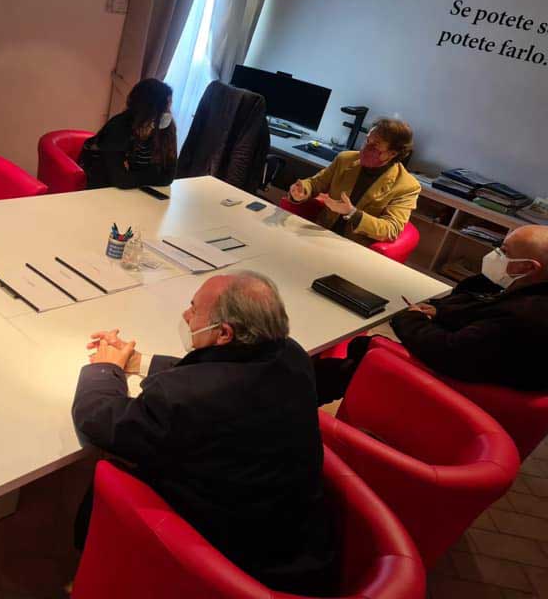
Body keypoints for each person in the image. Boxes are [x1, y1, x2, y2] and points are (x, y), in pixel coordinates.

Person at [72, 272, 336, 594]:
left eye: (194, 309)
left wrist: (104, 368)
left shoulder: (188, 400)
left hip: (232, 566)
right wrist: (138, 362)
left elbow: (99, 419)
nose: (186, 315)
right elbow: (215, 372)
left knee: (113, 470)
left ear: (224, 333)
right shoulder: (290, 355)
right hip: (298, 544)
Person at [316, 225, 548, 403]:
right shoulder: (520, 288)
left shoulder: (525, 316)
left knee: (328, 371)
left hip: (446, 389)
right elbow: (475, 307)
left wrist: (409, 318)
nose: (495, 254)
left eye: (504, 252)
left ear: (528, 267)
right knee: (354, 353)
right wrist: (440, 310)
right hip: (462, 368)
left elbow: (449, 352)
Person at [288, 118, 420, 244]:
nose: (366, 147)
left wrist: (352, 213)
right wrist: (302, 190)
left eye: (375, 145)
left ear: (392, 153)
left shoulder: (407, 186)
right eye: (367, 140)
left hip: (355, 245)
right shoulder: (345, 159)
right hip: (321, 231)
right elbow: (316, 183)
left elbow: (391, 230)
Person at [79, 78, 177, 189]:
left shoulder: (167, 129)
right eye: (164, 108)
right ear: (148, 108)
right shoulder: (118, 127)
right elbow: (120, 180)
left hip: (139, 190)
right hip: (103, 188)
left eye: (168, 108)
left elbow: (168, 176)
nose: (167, 114)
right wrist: (153, 175)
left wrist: (134, 177)